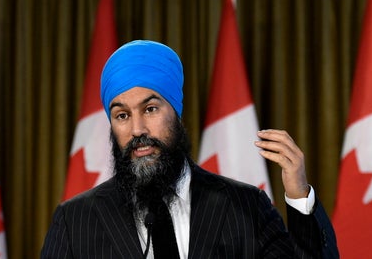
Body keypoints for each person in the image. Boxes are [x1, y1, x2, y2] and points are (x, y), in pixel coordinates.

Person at [41, 40, 338, 259]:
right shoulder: (75, 220)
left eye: (151, 109)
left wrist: (299, 197)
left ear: (177, 113)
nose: (137, 130)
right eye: (122, 115)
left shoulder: (246, 206)